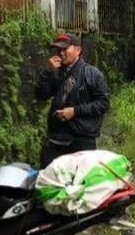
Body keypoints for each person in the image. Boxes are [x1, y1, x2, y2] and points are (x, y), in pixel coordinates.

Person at [34, 33, 110, 167]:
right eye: (58, 50)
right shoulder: (56, 72)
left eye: (65, 49)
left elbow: (103, 104)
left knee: (80, 183)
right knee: (49, 179)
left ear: (78, 50)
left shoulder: (93, 74)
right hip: (56, 138)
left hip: (81, 140)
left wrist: (74, 111)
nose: (61, 53)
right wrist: (47, 72)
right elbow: (41, 95)